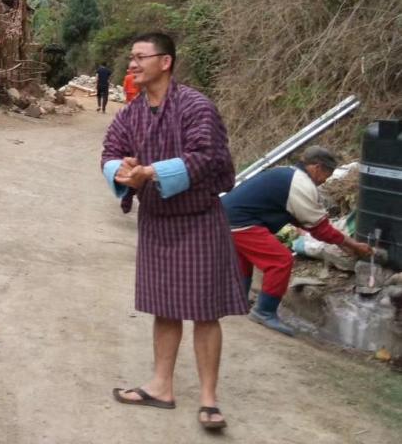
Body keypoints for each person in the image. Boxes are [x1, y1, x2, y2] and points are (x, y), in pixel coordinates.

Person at [101, 32, 248, 432]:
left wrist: (152, 171)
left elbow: (206, 156)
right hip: (157, 220)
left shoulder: (197, 106)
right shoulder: (131, 112)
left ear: (165, 62)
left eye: (140, 57)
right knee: (164, 307)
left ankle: (209, 400)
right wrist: (123, 171)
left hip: (199, 217)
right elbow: (110, 149)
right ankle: (161, 387)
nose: (132, 65)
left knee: (204, 311)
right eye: (131, 58)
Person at [223, 146, 373, 336]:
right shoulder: (301, 184)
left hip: (228, 216)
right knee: (280, 260)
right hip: (240, 222)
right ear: (317, 167)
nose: (326, 180)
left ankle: (237, 301)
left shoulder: (286, 173)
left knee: (244, 257)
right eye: (327, 174)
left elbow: (289, 211)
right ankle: (264, 312)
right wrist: (352, 244)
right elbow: (321, 229)